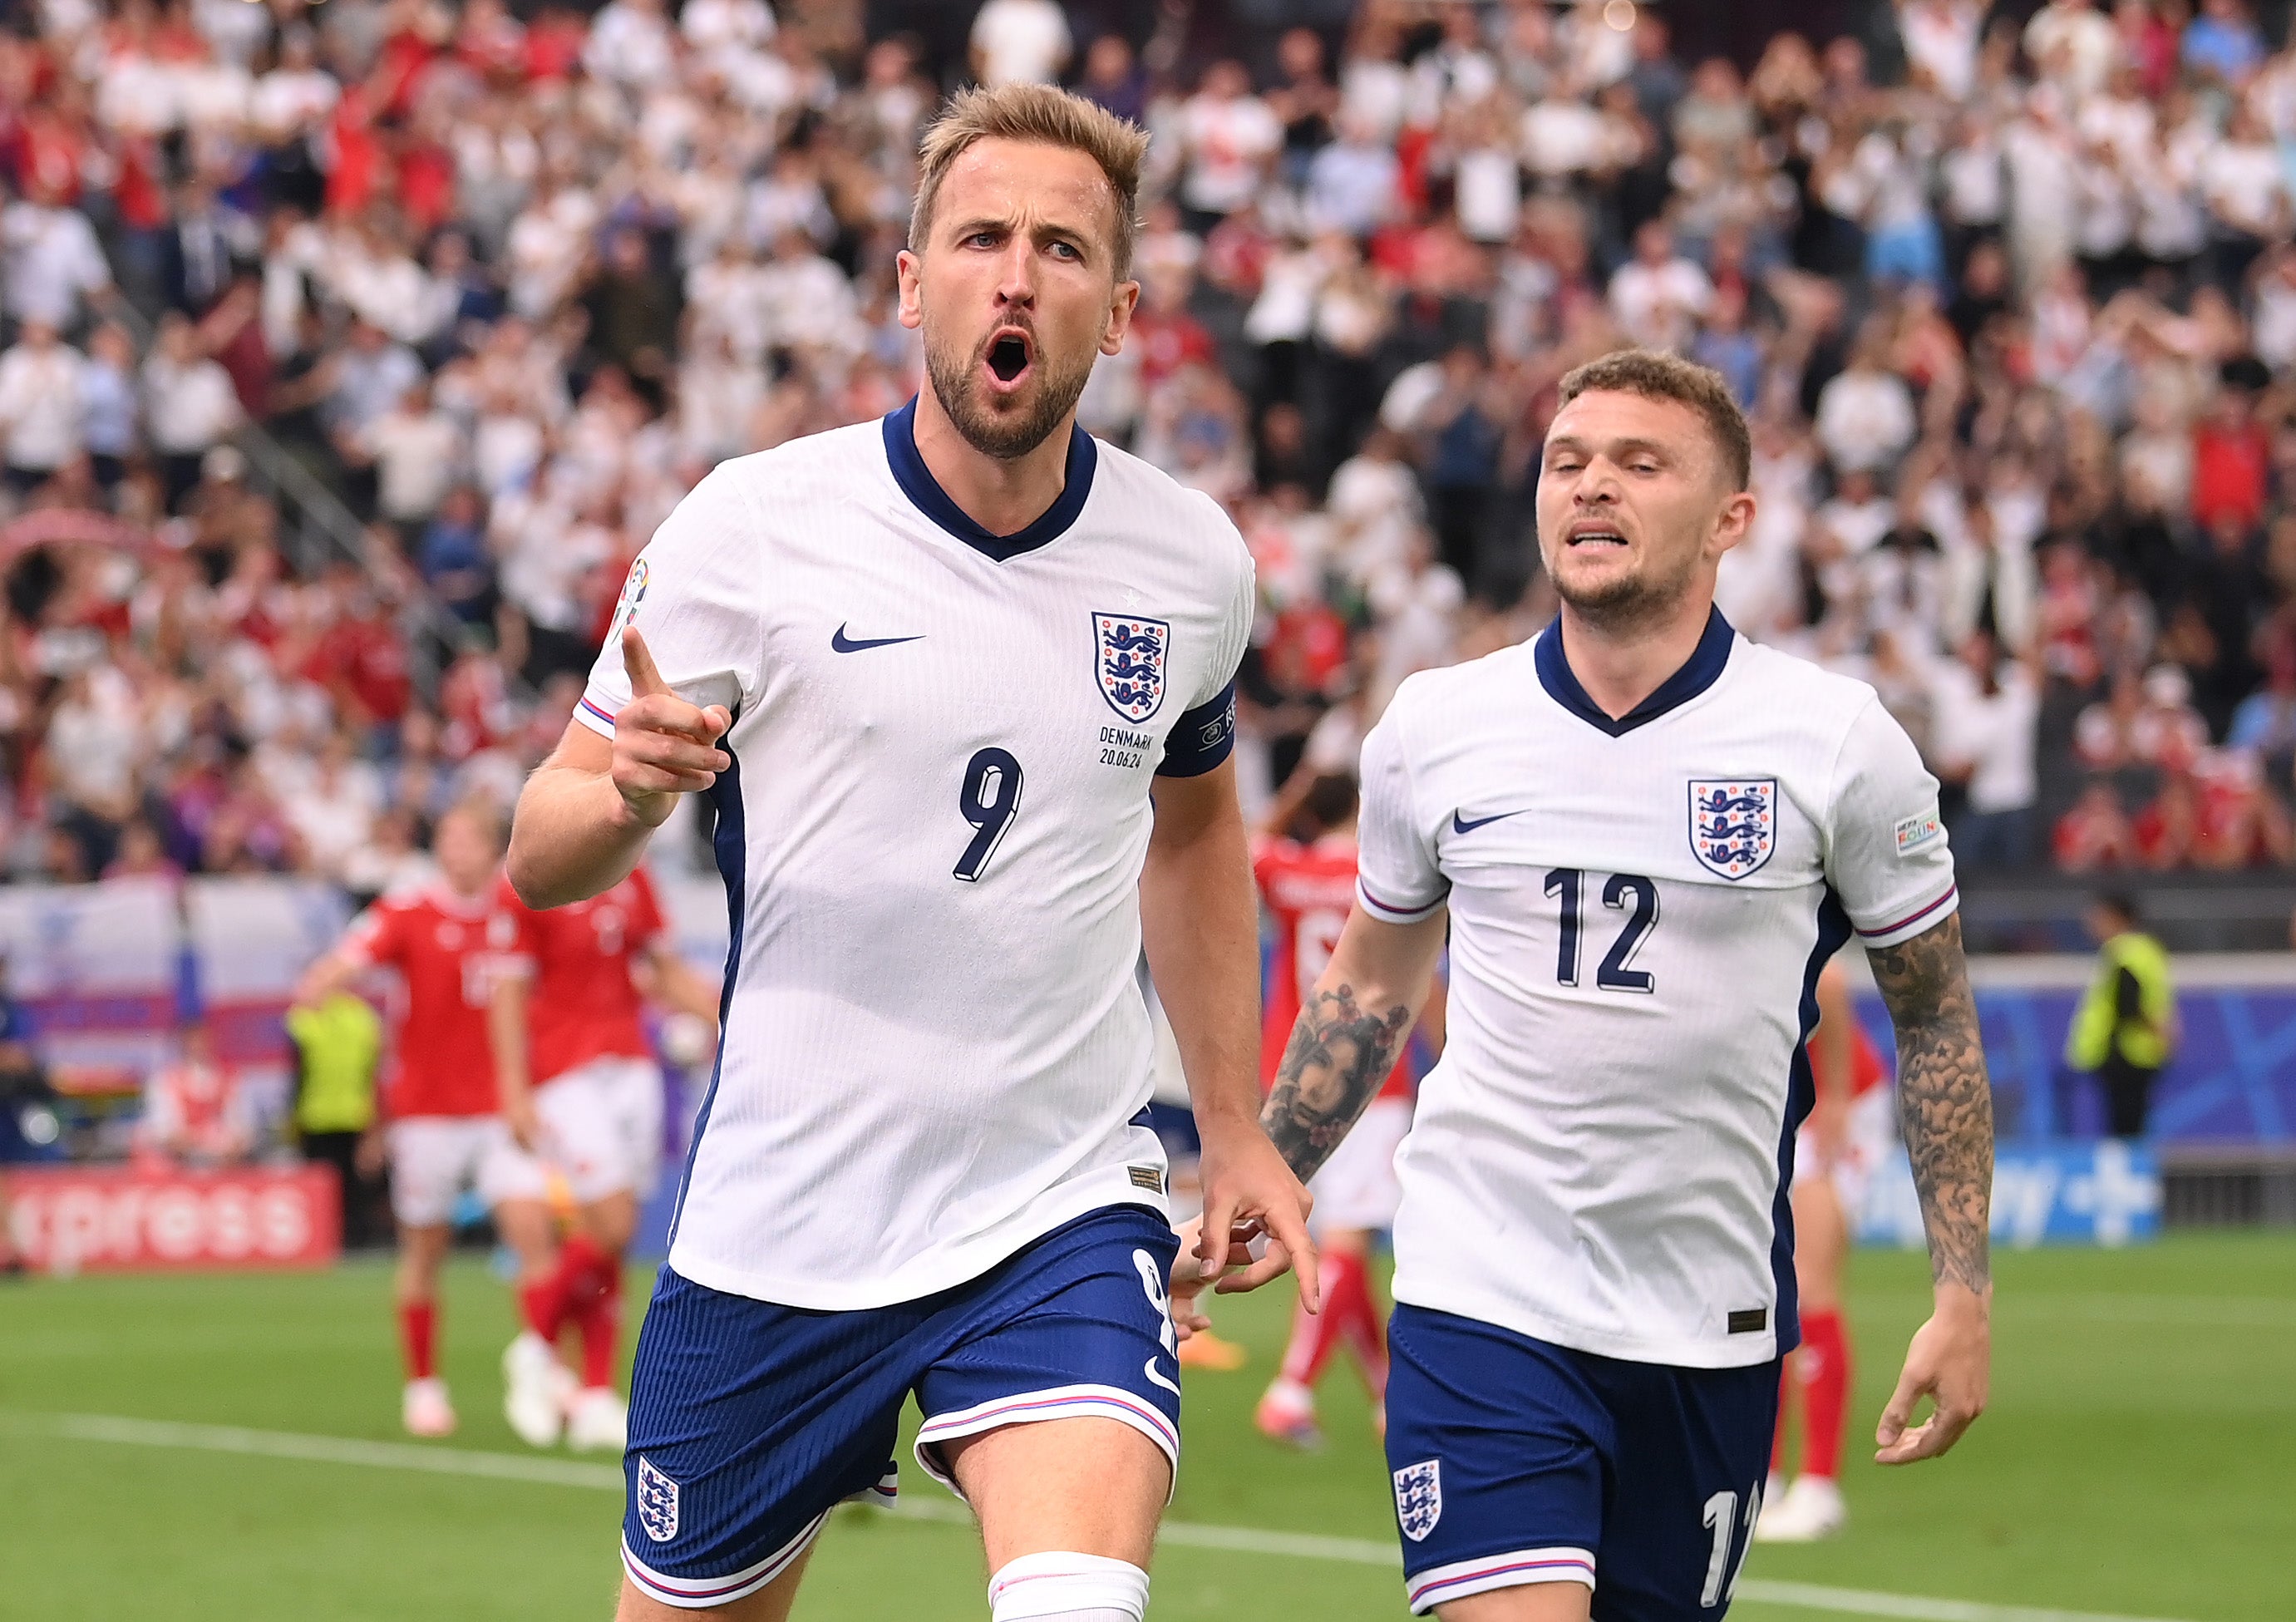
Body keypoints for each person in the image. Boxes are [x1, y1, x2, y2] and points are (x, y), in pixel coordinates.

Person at [504, 84, 1313, 1621]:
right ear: (909, 283)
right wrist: (625, 796)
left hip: (1057, 1214)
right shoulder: (752, 528)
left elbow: (1198, 829)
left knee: (1079, 1600)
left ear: (1120, 310)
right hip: (781, 1228)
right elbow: (538, 851)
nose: (1017, 274)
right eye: (982, 237)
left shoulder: (1191, 562)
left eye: (1062, 248)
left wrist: (1235, 1118)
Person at [1183, 350, 1995, 1620]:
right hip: (1479, 1294)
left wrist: (1962, 1289)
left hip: (1706, 1322)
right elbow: (1369, 983)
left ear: (1731, 516)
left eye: (1637, 462)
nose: (1590, 486)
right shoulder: (1436, 727)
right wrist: (1268, 1165)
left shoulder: (1836, 743)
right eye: (1567, 461)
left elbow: (1935, 1014)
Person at [293, 801, 555, 1440]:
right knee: (426, 1247)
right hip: (427, 1113)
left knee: (533, 1233)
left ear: (492, 848)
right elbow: (353, 953)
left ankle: (544, 1368)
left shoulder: (518, 907)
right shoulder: (408, 910)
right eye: (446, 835)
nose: (456, 848)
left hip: (499, 1106)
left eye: (468, 836)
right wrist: (325, 976)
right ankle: (424, 1386)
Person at [490, 862, 722, 1452]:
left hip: (631, 1061)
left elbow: (660, 966)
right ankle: (537, 1343)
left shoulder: (634, 874)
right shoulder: (532, 875)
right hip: (565, 1067)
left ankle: (595, 1392)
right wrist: (513, 1089)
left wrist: (716, 1020)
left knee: (611, 1236)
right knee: (614, 1219)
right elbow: (508, 989)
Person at [1250, 768, 1444, 1450]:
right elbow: (1418, 977)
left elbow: (1247, 841)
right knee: (1348, 1242)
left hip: (1293, 1078)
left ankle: (1387, 1393)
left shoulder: (1287, 869)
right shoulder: (1385, 875)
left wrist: (1294, 798)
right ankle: (1291, 1389)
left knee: (1343, 1243)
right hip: (1372, 1078)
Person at [1757, 961, 1893, 1544]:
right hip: (1782, 1105)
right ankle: (1765, 1481)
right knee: (1763, 1292)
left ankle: (1818, 1484)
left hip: (1831, 1104)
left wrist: (1835, 1096)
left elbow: (1830, 981)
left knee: (1809, 1285)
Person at [284, 982, 387, 1250]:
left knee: (323, 1188)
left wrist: (292, 1117)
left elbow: (299, 1072)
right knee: (353, 1187)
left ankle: (327, 1241)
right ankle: (356, 1242)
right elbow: (373, 1074)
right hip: (355, 1114)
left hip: (316, 1115)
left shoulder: (305, 1016)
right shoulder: (364, 1017)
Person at [2066, 894, 2175, 1139]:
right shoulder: (2146, 951)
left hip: (2124, 1055)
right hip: (2140, 1053)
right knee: (2133, 1126)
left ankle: (2126, 1173)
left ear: (2117, 918)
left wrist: (2156, 1028)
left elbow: (2129, 1004)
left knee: (2125, 1128)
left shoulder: (2123, 953)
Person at [136, 1020, 257, 1166]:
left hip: (225, 1165)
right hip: (178, 1166)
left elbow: (243, 1128)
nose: (199, 1047)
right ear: (183, 1045)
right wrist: (188, 1144)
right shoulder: (165, 1081)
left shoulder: (232, 1079)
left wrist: (228, 1147)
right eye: (193, 1042)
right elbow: (162, 1130)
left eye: (203, 1041)